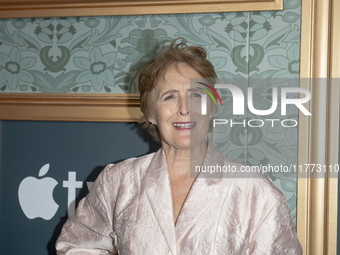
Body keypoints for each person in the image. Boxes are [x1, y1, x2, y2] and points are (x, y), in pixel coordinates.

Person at [56, 39, 302, 255]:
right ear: (151, 112)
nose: (184, 108)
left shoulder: (256, 191)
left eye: (196, 95)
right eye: (169, 96)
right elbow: (76, 246)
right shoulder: (117, 182)